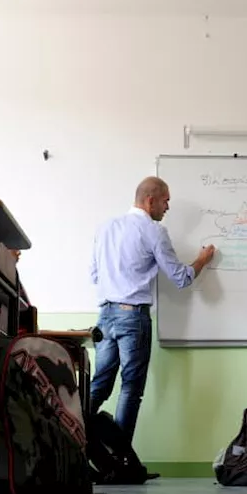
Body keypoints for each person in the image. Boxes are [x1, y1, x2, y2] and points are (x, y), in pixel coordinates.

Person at [89, 177, 216, 442]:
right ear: (150, 200)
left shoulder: (105, 228)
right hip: (132, 317)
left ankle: (73, 446)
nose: (167, 207)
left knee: (98, 386)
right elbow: (180, 278)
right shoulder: (153, 231)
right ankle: (121, 461)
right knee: (131, 388)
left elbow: (94, 275)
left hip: (105, 316)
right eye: (165, 200)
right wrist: (202, 260)